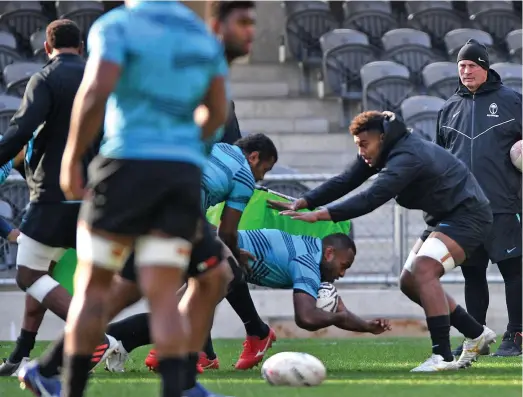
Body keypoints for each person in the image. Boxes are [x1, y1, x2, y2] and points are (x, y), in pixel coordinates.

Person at [19, 2, 229, 397]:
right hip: (179, 172)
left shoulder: (118, 25)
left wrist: (71, 159)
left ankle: (68, 389)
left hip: (126, 164)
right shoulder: (202, 33)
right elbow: (217, 110)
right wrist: (179, 140)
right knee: (165, 292)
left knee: (94, 287)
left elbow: (97, 90)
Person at [274, 111, 497, 372]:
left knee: (424, 270)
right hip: (444, 217)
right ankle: (476, 333)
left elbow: (372, 197)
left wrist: (321, 215)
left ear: (382, 137)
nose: (361, 151)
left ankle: (442, 356)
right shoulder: (385, 149)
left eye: (364, 144)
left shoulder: (407, 156)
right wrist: (304, 201)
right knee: (409, 281)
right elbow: (346, 180)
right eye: (357, 145)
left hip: (468, 215)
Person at [96, 229, 392, 373]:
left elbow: (337, 309)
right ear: (329, 253)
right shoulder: (307, 261)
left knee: (196, 299)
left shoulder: (313, 258)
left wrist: (366, 326)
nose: (342, 274)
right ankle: (118, 339)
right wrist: (339, 318)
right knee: (198, 299)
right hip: (206, 245)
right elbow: (308, 317)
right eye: (344, 265)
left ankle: (124, 341)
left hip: (205, 244)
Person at [0, 20, 112, 378]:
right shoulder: (102, 81)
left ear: (46, 48)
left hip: (53, 195)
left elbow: (20, 129)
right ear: (81, 46)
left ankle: (94, 336)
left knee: (28, 274)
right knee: (42, 276)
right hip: (97, 195)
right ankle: (20, 355)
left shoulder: (45, 79)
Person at [436, 39, 522, 357]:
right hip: (465, 210)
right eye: (462, 66)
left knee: (514, 272)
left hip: (504, 205)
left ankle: (517, 335)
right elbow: (441, 162)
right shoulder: (448, 109)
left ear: (485, 68)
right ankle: (477, 337)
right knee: (473, 275)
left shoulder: (513, 102)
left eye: (472, 65)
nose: (467, 70)